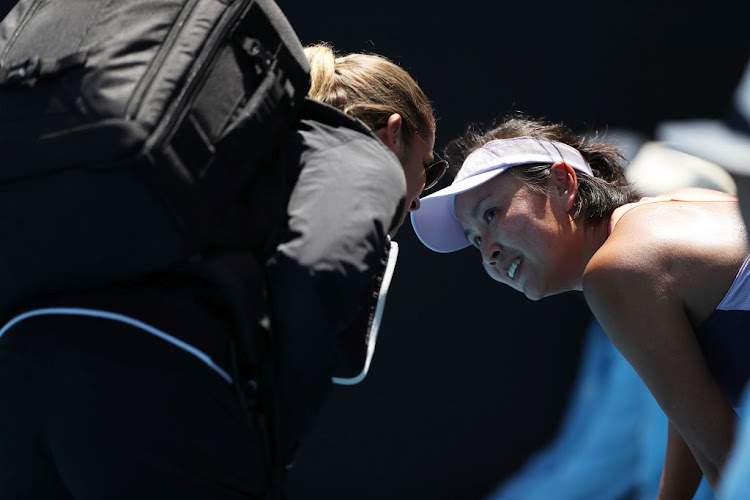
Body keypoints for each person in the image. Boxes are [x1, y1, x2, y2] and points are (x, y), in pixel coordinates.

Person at [0, 39, 446, 499]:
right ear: (394, 133)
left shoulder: (243, 133)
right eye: (427, 169)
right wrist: (268, 452)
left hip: (23, 356)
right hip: (154, 379)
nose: (415, 199)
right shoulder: (362, 158)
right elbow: (314, 274)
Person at [410, 115, 749, 498]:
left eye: (492, 214)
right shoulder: (673, 210)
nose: (488, 251)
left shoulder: (616, 272)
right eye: (475, 240)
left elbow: (723, 456)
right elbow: (690, 421)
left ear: (563, 183)